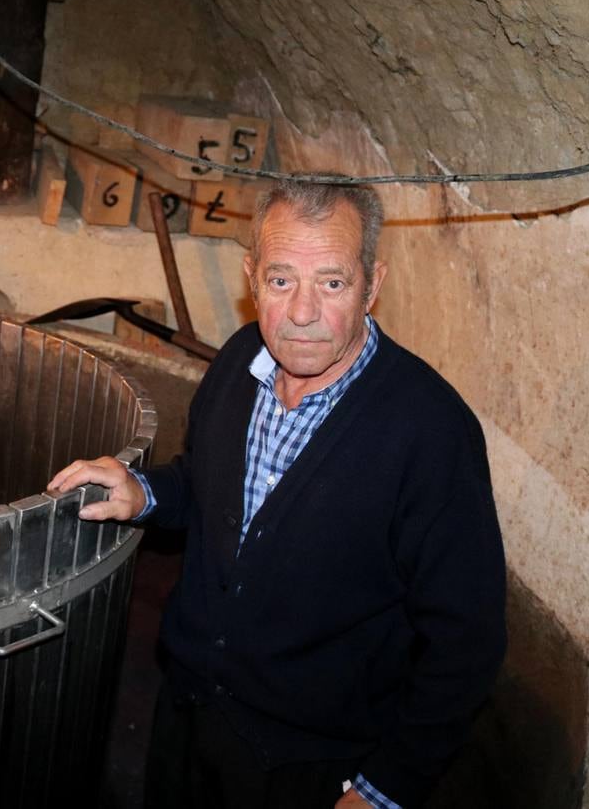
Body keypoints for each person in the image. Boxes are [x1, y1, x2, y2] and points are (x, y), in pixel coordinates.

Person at [48, 178, 506, 809]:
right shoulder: (240, 362)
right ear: (252, 277)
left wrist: (384, 788)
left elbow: (467, 643)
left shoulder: (430, 432)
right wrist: (145, 492)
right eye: (282, 279)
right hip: (188, 713)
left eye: (333, 283)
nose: (301, 313)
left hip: (308, 763)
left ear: (373, 286)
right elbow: (204, 486)